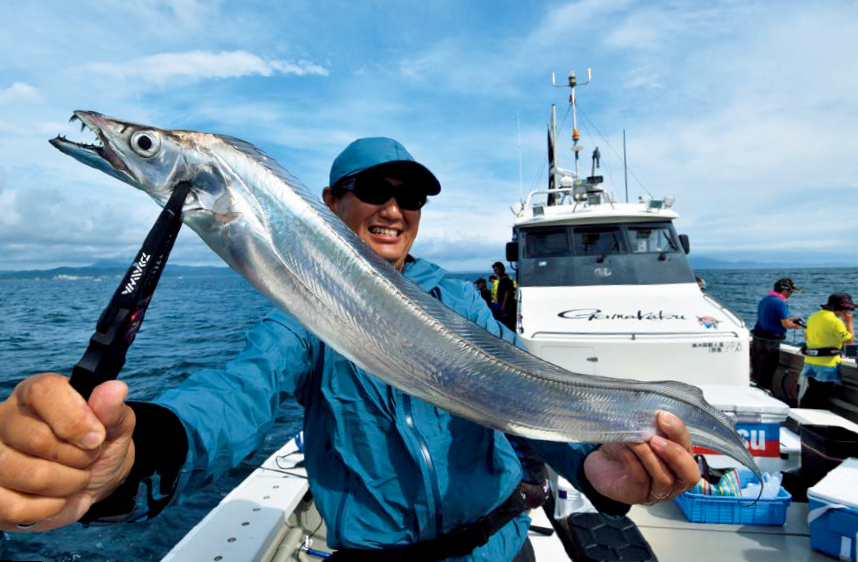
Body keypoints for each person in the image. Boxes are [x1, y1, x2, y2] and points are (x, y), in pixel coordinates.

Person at [0, 137, 700, 561]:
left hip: (500, 550)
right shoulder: (306, 312)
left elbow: (528, 396)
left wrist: (597, 468)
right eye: (374, 190)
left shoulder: (457, 302)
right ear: (330, 204)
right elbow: (241, 389)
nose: (394, 209)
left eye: (412, 197)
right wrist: (138, 453)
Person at [798, 293, 855, 409]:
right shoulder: (835, 321)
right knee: (820, 396)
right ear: (841, 309)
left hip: (810, 362)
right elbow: (849, 340)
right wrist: (848, 322)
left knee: (812, 391)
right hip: (826, 364)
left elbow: (806, 336)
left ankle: (803, 419)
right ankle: (813, 424)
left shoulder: (813, 317)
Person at [750, 278, 804, 390]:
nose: (791, 295)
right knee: (768, 370)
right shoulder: (781, 303)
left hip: (757, 338)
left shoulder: (765, 300)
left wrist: (789, 320)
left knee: (757, 369)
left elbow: (769, 318)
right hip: (771, 342)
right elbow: (786, 324)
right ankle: (765, 393)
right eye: (791, 292)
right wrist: (795, 325)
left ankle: (755, 391)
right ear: (785, 291)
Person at [492, 262, 517, 331]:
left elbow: (507, 292)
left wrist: (503, 304)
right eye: (494, 270)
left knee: (508, 324)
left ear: (501, 269)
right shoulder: (503, 279)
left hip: (507, 306)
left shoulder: (505, 279)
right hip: (505, 304)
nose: (495, 271)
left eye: (496, 270)